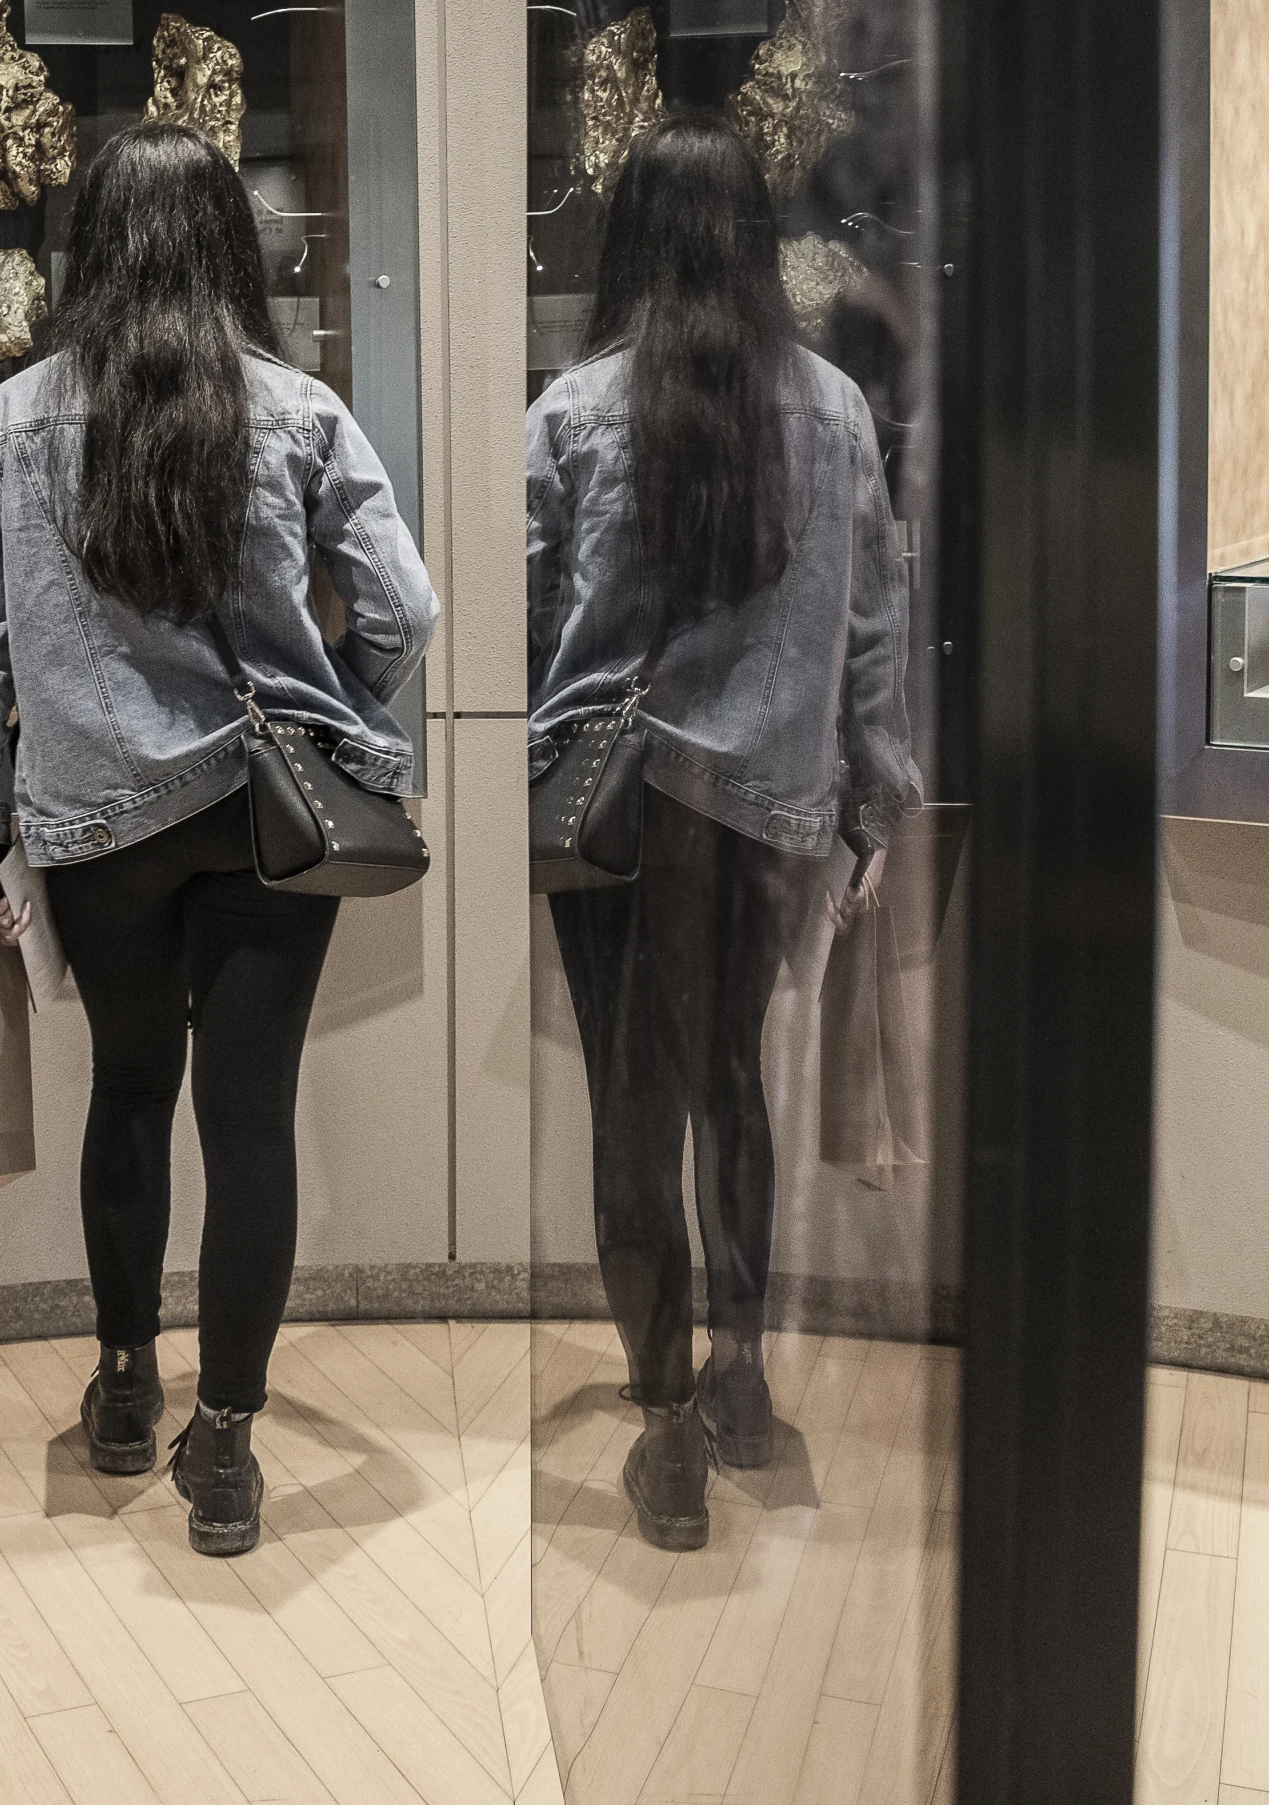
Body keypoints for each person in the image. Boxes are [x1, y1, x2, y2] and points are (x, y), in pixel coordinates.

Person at [0, 120, 439, 1558]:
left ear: (88, 245)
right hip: (270, 815)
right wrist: (336, 710)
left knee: (131, 1095)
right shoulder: (298, 406)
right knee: (251, 1114)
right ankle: (228, 1449)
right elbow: (404, 609)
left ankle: (124, 1386)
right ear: (232, 243)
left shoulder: (13, 418)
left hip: (95, 823)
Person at [525, 113, 918, 1554]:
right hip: (770, 810)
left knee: (629, 1100)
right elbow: (876, 631)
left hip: (614, 809)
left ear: (625, 238)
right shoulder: (832, 408)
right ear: (758, 244)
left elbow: (518, 625)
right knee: (731, 1087)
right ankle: (744, 1377)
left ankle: (662, 1419)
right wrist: (874, 802)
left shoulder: (571, 412)